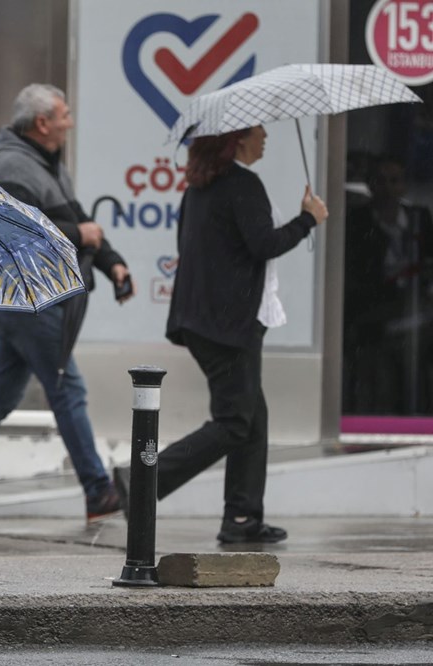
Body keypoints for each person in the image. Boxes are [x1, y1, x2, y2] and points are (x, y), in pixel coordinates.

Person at [117, 125, 328, 544]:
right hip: (228, 325)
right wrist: (308, 219)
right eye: (258, 132)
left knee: (253, 418)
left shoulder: (199, 187)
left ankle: (243, 519)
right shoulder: (243, 185)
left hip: (205, 321)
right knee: (235, 421)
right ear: (236, 140)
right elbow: (263, 244)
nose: (266, 136)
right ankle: (141, 479)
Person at [0, 83, 134, 524]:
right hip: (26, 299)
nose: (70, 122)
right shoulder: (9, 166)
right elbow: (20, 232)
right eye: (64, 115)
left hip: (34, 299)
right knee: (68, 389)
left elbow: (75, 215)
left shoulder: (45, 164)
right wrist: (82, 237)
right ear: (42, 123)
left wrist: (113, 263)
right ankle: (98, 491)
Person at [344, 156, 433, 415]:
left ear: (404, 186)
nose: (388, 187)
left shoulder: (419, 218)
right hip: (376, 312)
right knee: (386, 363)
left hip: (418, 308)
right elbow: (355, 274)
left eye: (394, 181)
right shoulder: (358, 222)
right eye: (380, 181)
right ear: (371, 185)